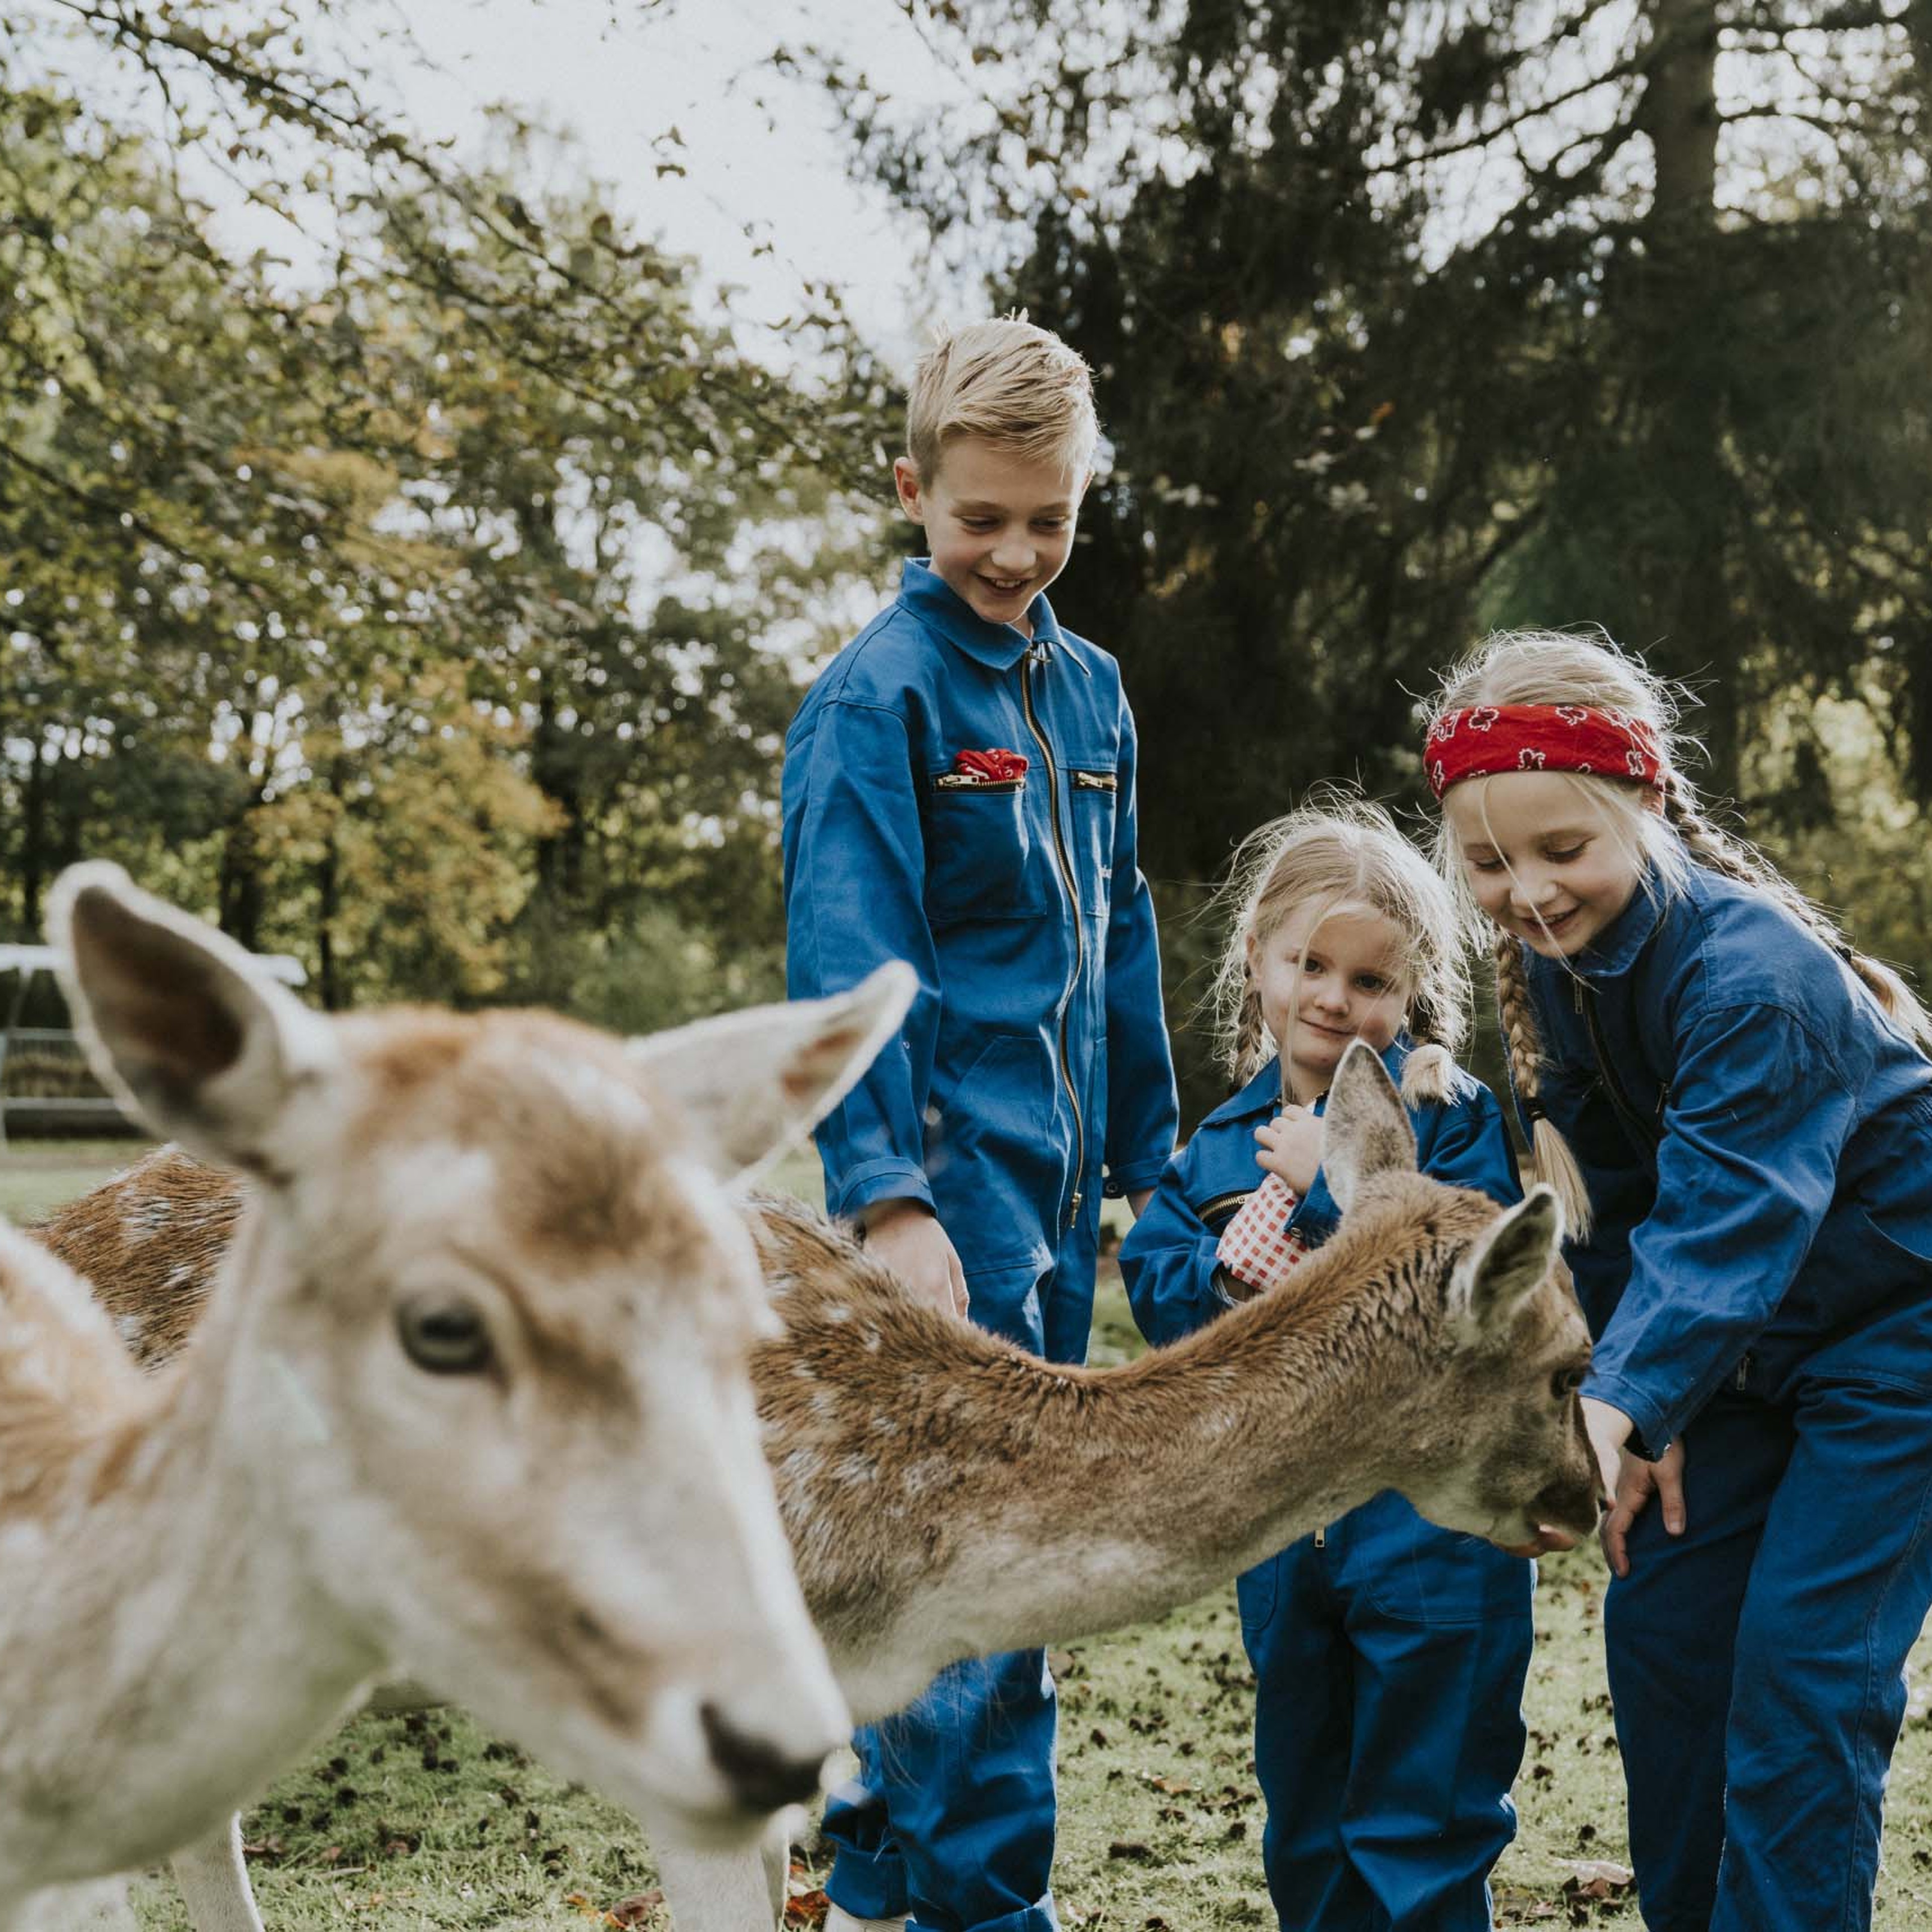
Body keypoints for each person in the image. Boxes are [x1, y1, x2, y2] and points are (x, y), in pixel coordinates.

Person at [1423, 628, 1932, 1932]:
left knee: (1805, 1669)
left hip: (1896, 1342)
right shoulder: (1562, 974)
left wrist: (1612, 1415)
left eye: (1562, 848)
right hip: (1732, 1356)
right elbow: (1615, 1214)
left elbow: (1727, 1224)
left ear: (1646, 805)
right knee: (1667, 1638)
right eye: (1489, 863)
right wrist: (1642, 1399)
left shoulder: (1757, 980)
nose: (1529, 891)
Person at [781, 316, 1179, 1932]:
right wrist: (889, 1197)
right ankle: (988, 1909)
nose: (1014, 553)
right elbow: (853, 958)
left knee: (980, 1550)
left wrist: (1154, 1162)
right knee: (988, 1564)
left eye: (1049, 518)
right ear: (912, 494)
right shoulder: (874, 699)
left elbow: (1123, 935)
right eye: (981, 519)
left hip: (1065, 1200)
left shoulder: (1093, 697)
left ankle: (879, 1879)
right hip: (944, 1206)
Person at [1118, 799, 1535, 1932]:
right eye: (1310, 965)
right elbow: (1162, 1288)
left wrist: (1333, 1184)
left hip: (1428, 1533)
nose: (1334, 999)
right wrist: (1225, 1275)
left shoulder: (1448, 1118)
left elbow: (1469, 1283)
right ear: (1258, 958)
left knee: (1426, 1815)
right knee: (1306, 1814)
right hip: (1282, 1531)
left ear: (1412, 993)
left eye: (1369, 980)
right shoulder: (1217, 1146)